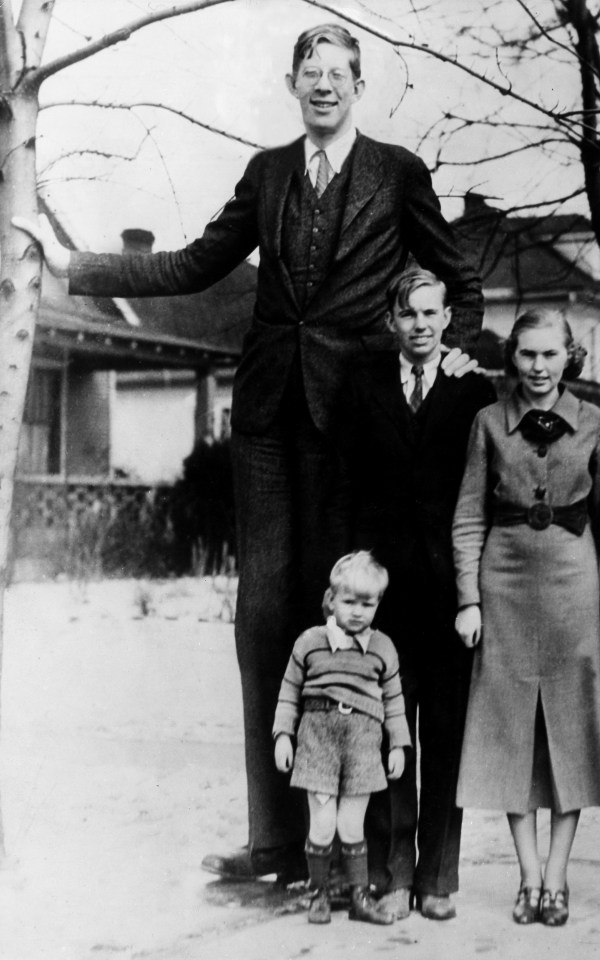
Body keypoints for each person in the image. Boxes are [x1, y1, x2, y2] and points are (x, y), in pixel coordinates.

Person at [13, 23, 483, 883]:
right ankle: (277, 843)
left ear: (358, 83)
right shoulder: (269, 172)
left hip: (352, 419)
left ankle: (351, 846)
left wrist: (448, 352)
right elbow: (194, 262)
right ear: (291, 82)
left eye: (339, 73)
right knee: (264, 618)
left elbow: (464, 282)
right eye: (310, 73)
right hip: (266, 412)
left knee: (341, 611)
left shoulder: (398, 172)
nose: (324, 86)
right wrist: (71, 266)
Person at [453, 308, 600, 927]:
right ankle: (527, 877)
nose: (538, 367)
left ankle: (558, 877)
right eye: (527, 354)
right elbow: (470, 513)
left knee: (572, 730)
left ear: (569, 356)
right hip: (504, 587)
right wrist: (469, 599)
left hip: (573, 588)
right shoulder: (488, 423)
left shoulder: (595, 423)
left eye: (550, 354)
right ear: (513, 358)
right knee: (512, 732)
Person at [336, 268, 496, 920]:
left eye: (432, 313)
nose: (421, 325)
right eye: (409, 315)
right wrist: (347, 577)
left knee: (448, 734)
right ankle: (392, 871)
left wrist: (475, 592)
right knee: (388, 735)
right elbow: (344, 486)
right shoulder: (363, 386)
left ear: (448, 317)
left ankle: (437, 877)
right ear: (391, 321)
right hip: (386, 592)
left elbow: (486, 491)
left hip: (451, 592)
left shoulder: (472, 389)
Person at [272, 551, 411, 925]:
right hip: (318, 738)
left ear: (378, 604)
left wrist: (398, 744)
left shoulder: (383, 647)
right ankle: (318, 894)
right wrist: (283, 735)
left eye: (367, 604)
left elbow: (394, 701)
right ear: (331, 599)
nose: (357, 612)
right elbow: (289, 691)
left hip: (363, 743)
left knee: (352, 824)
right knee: (322, 823)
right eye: (348, 602)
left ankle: (359, 897)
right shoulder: (310, 642)